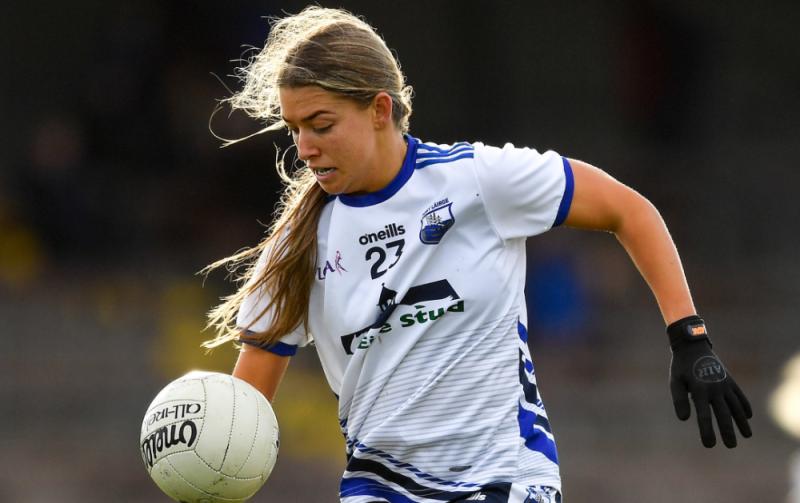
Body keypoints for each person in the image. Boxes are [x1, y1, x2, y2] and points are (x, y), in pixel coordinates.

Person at [203, 6, 752, 503]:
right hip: (379, 488)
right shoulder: (298, 242)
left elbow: (629, 211)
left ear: (379, 109)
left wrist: (688, 337)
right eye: (295, 128)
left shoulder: (478, 180)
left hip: (505, 479)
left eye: (321, 125)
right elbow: (244, 411)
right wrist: (208, 469)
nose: (304, 147)